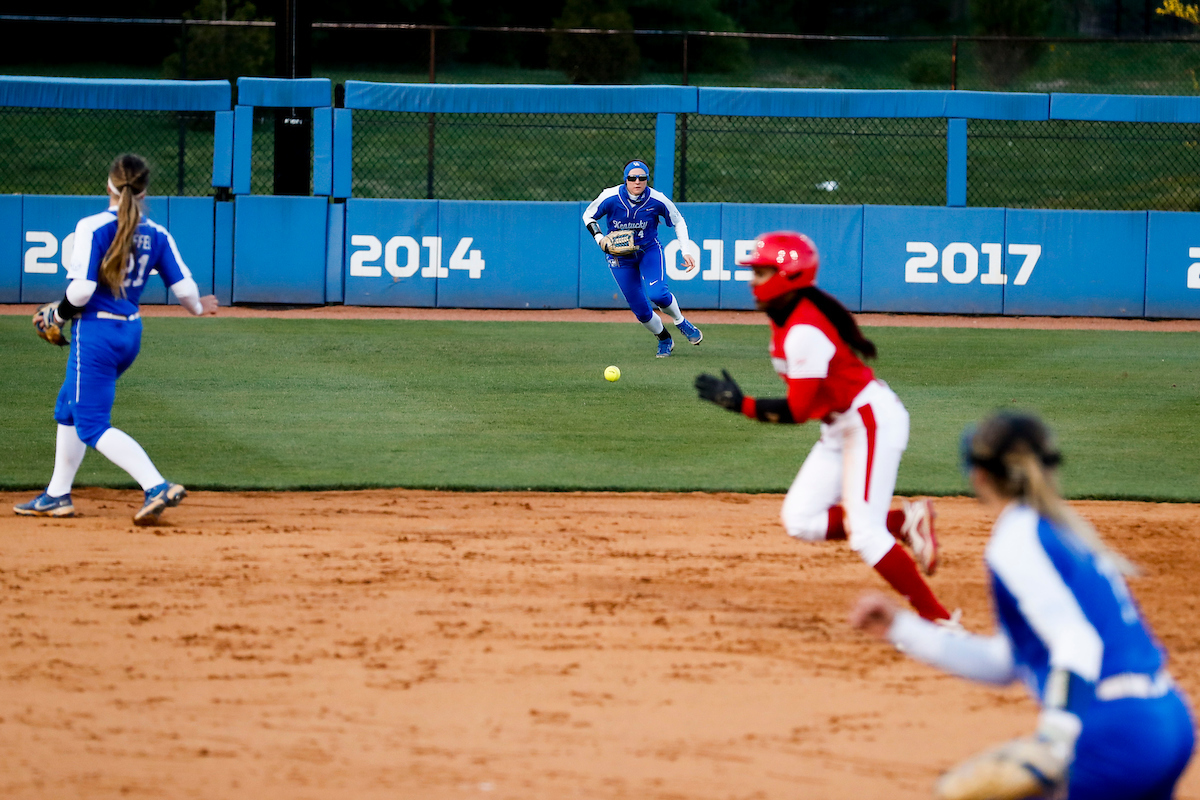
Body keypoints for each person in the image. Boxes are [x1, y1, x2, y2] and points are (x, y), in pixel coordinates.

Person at [851, 411, 1194, 800]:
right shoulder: (1064, 531)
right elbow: (1004, 662)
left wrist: (1055, 737)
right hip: (1168, 720)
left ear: (978, 477)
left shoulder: (1017, 539)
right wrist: (902, 627)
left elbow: (1077, 640)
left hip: (1113, 733)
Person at [695, 231, 952, 622]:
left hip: (869, 423)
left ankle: (938, 619)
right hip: (841, 426)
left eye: (762, 272)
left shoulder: (803, 331)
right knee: (800, 519)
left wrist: (740, 404)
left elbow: (798, 411)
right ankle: (905, 521)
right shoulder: (786, 315)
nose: (752, 280)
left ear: (788, 276)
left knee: (865, 534)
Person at [15, 153, 219, 525]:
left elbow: (80, 292)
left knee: (91, 423)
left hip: (96, 333)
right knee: (68, 405)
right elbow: (188, 293)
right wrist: (202, 308)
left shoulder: (93, 226)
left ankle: (156, 485)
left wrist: (56, 316)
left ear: (109, 185)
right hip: (129, 333)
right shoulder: (157, 233)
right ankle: (57, 494)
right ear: (144, 191)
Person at [582, 159, 704, 358]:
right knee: (641, 311)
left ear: (647, 179)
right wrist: (599, 239)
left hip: (648, 250)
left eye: (642, 178)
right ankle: (664, 339)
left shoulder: (657, 199)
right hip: (620, 257)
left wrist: (686, 250)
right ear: (625, 179)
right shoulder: (611, 196)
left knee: (658, 295)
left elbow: (678, 221)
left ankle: (681, 321)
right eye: (632, 178)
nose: (637, 181)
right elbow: (588, 216)